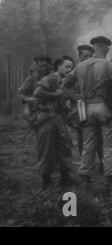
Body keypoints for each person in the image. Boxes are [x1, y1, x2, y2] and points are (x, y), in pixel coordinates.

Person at [63, 36, 112, 190]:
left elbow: (64, 85)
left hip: (86, 109)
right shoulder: (110, 66)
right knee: (109, 145)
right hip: (105, 109)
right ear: (107, 49)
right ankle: (109, 183)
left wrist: (77, 98)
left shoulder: (80, 66)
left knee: (88, 144)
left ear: (94, 48)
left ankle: (85, 180)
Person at [32, 57, 77, 190]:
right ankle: (46, 179)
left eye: (71, 67)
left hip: (58, 118)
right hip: (46, 118)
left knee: (63, 146)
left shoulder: (66, 82)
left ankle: (65, 176)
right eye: (66, 66)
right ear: (58, 66)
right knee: (46, 148)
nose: (69, 70)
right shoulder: (50, 78)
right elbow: (37, 92)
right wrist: (55, 95)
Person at [66, 45, 104, 171]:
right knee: (82, 136)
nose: (87, 58)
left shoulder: (95, 69)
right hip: (79, 108)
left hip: (94, 106)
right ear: (79, 56)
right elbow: (65, 85)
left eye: (89, 56)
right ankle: (86, 163)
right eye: (84, 56)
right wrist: (75, 98)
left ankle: (102, 162)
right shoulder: (76, 70)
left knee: (98, 135)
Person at [18, 55, 52, 128]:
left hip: (53, 108)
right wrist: (28, 99)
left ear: (49, 65)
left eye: (45, 66)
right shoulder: (32, 79)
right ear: (36, 66)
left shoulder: (54, 76)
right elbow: (21, 93)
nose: (43, 69)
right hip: (37, 110)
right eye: (40, 66)